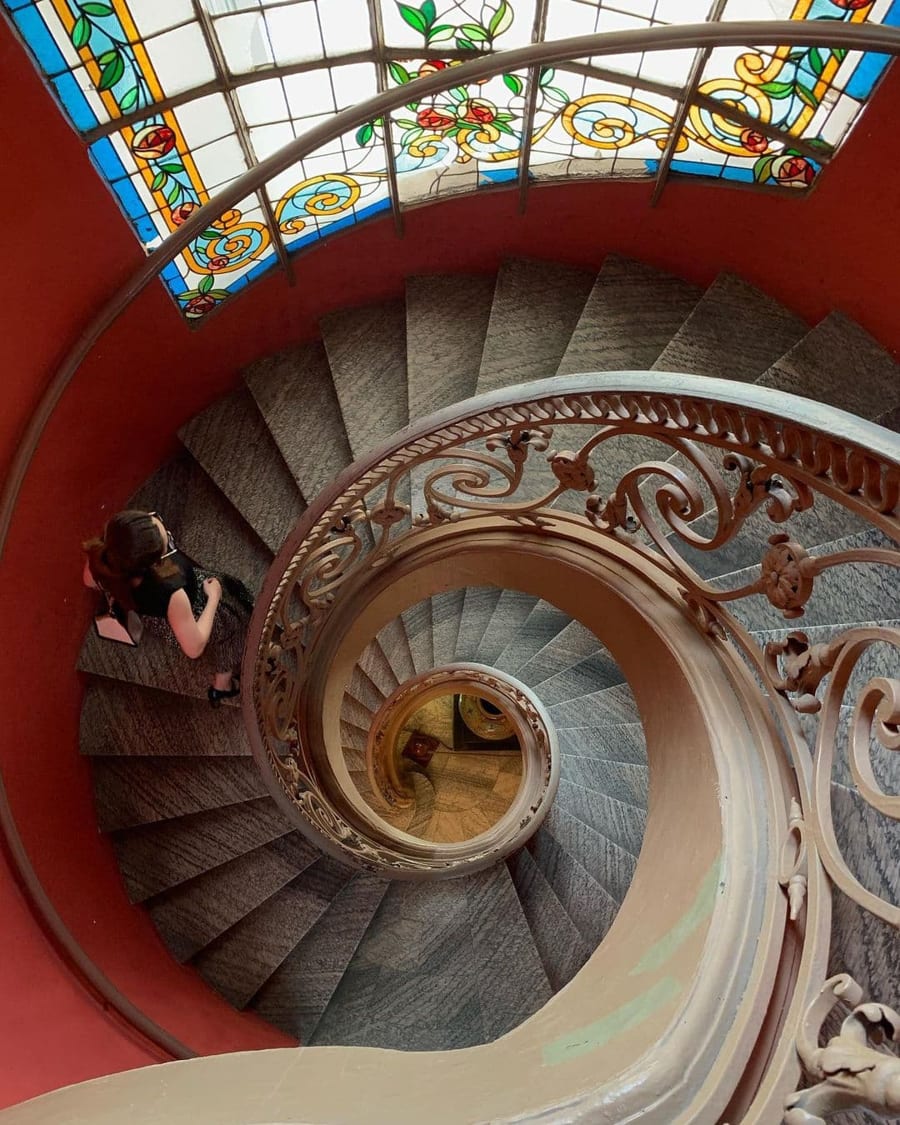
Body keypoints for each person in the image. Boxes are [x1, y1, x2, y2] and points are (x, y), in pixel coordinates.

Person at [83, 509, 253, 706]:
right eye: (164, 548)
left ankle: (223, 684)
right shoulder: (172, 593)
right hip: (190, 609)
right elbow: (194, 647)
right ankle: (222, 685)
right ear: (151, 564)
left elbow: (88, 580)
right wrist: (214, 598)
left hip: (154, 617)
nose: (159, 525)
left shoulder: (105, 557)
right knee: (234, 626)